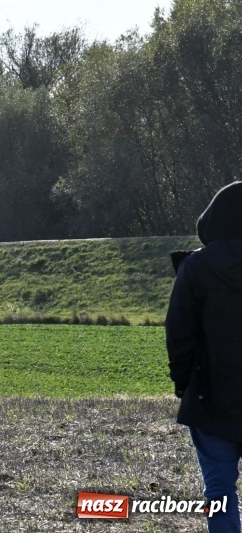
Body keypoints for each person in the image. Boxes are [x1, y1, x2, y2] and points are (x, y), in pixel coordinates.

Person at [166, 181, 242, 532]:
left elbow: (179, 334)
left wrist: (184, 384)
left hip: (211, 396)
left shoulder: (196, 269)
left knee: (220, 491)